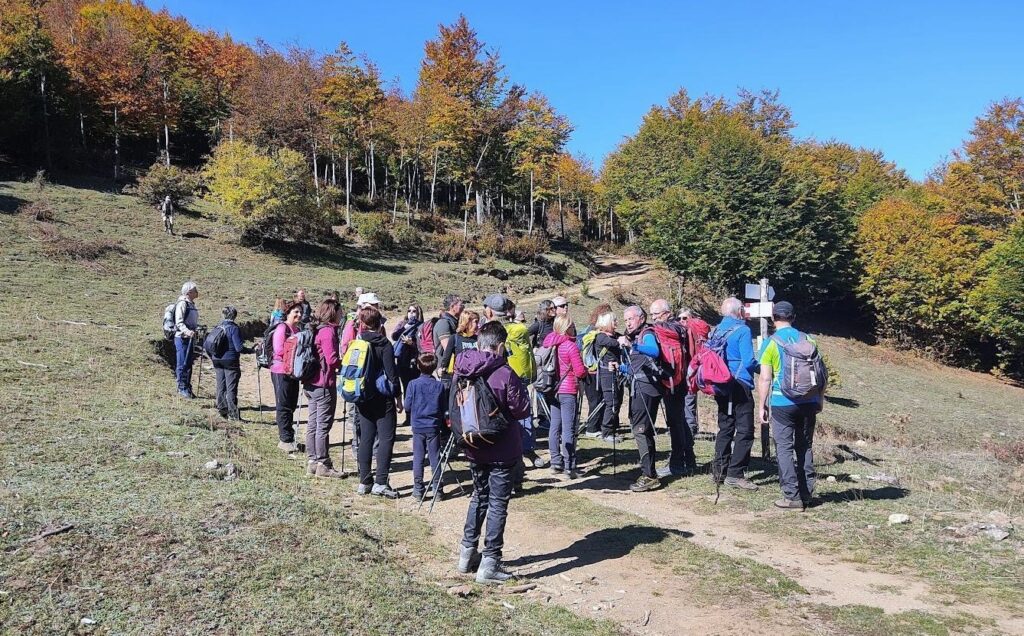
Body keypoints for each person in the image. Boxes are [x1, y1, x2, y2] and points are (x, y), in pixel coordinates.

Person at [454, 321, 530, 584]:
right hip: (502, 448)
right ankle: (490, 563)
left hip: (473, 445)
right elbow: (522, 410)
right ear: (500, 346)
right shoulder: (505, 373)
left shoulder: (461, 369)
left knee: (478, 496)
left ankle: (466, 554)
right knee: (498, 502)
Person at [757, 301, 821, 509]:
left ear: (773, 318)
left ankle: (791, 496)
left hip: (782, 401)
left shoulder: (771, 343)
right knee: (805, 446)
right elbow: (820, 374)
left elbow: (765, 378)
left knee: (784, 448)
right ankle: (807, 493)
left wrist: (762, 405)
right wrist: (818, 398)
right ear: (793, 317)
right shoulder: (808, 339)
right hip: (809, 400)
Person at [354, 306, 403, 498]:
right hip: (383, 398)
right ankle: (381, 482)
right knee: (386, 438)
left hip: (363, 396)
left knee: (365, 438)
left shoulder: (357, 342)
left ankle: (364, 481)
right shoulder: (384, 344)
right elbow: (392, 375)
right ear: (379, 322)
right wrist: (398, 398)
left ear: (362, 323)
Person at [711, 297, 760, 491]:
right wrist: (764, 370)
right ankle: (736, 473)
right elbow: (748, 361)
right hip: (739, 384)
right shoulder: (743, 330)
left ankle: (719, 471)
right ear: (739, 312)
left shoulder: (716, 330)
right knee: (745, 429)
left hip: (720, 384)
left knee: (725, 426)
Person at [649, 299, 697, 478]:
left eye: (656, 314)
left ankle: (677, 464)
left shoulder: (671, 329)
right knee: (680, 421)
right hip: (679, 380)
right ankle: (689, 460)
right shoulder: (680, 329)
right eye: (652, 315)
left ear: (666, 313)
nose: (654, 319)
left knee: (676, 423)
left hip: (673, 382)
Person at [618, 305, 663, 492]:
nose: (628, 323)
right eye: (626, 320)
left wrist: (633, 345)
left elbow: (655, 352)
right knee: (639, 429)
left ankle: (650, 476)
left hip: (647, 390)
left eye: (631, 318)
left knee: (641, 430)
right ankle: (648, 472)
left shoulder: (647, 334)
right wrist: (619, 368)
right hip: (639, 388)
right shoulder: (637, 337)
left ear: (641, 318)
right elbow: (637, 368)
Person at [500, 297, 547, 472]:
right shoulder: (515, 329)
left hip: (518, 376)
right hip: (507, 377)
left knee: (524, 413)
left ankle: (527, 449)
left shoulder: (511, 329)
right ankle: (518, 452)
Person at [542, 316, 587, 478]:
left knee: (554, 426)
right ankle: (570, 466)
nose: (574, 329)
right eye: (572, 326)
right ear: (567, 328)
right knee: (568, 428)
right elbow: (580, 371)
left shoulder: (548, 343)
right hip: (568, 390)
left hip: (552, 389)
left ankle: (555, 462)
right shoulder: (570, 346)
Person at [304, 299, 344, 478]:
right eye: (340, 312)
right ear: (333, 312)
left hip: (311, 382)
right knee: (323, 425)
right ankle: (323, 463)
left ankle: (312, 461)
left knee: (313, 423)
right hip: (323, 384)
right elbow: (332, 360)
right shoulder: (328, 332)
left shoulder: (316, 329)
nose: (342, 315)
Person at [404, 352, 447, 501]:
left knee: (418, 458)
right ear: (435, 367)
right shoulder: (439, 386)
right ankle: (438, 490)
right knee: (435, 457)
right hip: (433, 425)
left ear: (418, 366)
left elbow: (407, 406)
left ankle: (418, 489)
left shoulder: (412, 384)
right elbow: (443, 407)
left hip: (418, 426)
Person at [270, 302, 303, 453]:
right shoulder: (282, 328)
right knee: (283, 404)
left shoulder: (297, 329)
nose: (299, 315)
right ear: (288, 313)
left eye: (300, 312)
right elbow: (278, 349)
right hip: (280, 370)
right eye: (296, 312)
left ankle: (289, 435)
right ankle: (284, 439)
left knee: (291, 403)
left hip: (292, 371)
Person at [580, 303, 612, 438]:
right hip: (595, 370)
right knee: (596, 400)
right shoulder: (599, 334)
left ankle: (594, 426)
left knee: (594, 399)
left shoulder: (586, 330)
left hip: (586, 370)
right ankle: (592, 429)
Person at [592, 310, 624, 442]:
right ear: (606, 323)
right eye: (613, 320)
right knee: (611, 402)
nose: (616, 322)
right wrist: (622, 340)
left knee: (617, 401)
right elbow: (615, 343)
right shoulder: (601, 337)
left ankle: (611, 429)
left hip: (616, 373)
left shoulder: (614, 336)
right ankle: (606, 432)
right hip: (606, 374)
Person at [211, 306, 246, 420]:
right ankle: (233, 413)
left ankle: (222, 410)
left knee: (221, 385)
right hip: (230, 360)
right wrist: (251, 350)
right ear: (234, 316)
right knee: (231, 387)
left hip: (217, 359)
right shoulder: (234, 328)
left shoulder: (218, 327)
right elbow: (239, 348)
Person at [391, 304, 424, 423]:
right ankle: (408, 416)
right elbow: (394, 336)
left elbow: (423, 346)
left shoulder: (421, 326)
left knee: (417, 388)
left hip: (416, 361)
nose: (411, 313)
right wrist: (404, 327)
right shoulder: (402, 324)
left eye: (414, 311)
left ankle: (417, 415)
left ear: (418, 313)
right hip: (402, 361)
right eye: (409, 310)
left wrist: (412, 344)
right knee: (406, 388)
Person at [173, 281, 200, 399]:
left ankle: (187, 387)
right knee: (182, 363)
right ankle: (181, 387)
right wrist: (187, 331)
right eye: (195, 290)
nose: (197, 292)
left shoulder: (191, 304)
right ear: (189, 292)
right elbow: (179, 321)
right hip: (182, 338)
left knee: (188, 363)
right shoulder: (182, 304)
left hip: (190, 339)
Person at [432, 294, 464, 381]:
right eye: (461, 304)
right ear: (453, 307)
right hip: (445, 370)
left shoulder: (456, 322)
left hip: (456, 368)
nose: (464, 307)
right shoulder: (444, 323)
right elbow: (448, 348)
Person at [442, 310, 479, 375]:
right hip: (460, 377)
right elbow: (446, 358)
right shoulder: (455, 338)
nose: (477, 325)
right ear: (467, 322)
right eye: (475, 322)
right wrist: (442, 369)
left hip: (476, 376)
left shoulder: (479, 338)